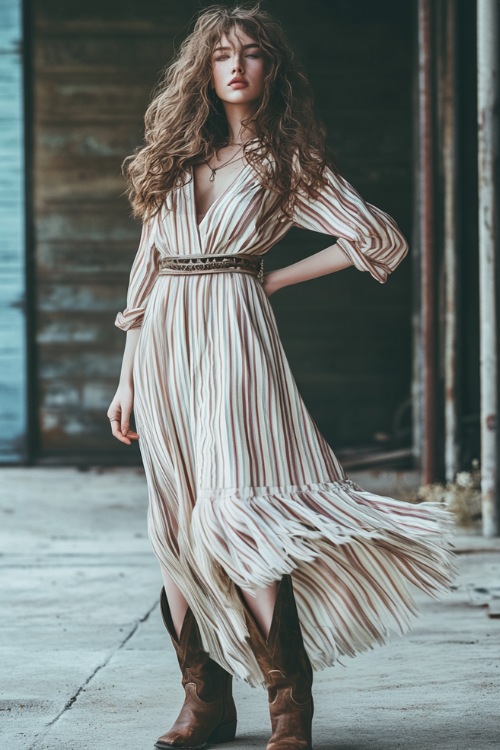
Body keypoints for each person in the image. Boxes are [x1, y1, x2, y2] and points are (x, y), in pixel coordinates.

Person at [107, 4, 459, 749]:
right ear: (202, 71)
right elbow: (145, 280)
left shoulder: (285, 162)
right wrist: (127, 380)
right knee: (175, 521)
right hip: (164, 346)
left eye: (254, 54)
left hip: (235, 336)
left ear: (273, 70)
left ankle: (287, 708)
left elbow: (377, 238)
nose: (236, 66)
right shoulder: (170, 156)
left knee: (235, 512)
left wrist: (268, 280)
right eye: (222, 55)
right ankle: (205, 704)